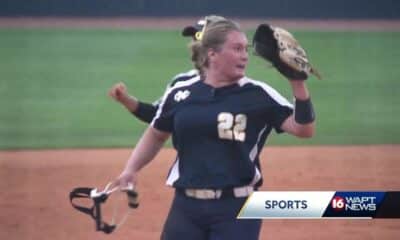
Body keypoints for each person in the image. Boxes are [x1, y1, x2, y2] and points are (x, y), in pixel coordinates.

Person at [111, 17, 315, 240]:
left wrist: (298, 84)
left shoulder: (258, 94)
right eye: (237, 49)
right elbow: (156, 133)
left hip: (238, 207)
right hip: (186, 207)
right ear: (212, 54)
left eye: (245, 49)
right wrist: (131, 169)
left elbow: (303, 129)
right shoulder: (181, 92)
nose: (244, 55)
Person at [108, 15, 226, 124]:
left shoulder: (240, 87)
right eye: (194, 39)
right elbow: (157, 114)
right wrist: (125, 99)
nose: (194, 45)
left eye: (201, 39)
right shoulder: (182, 82)